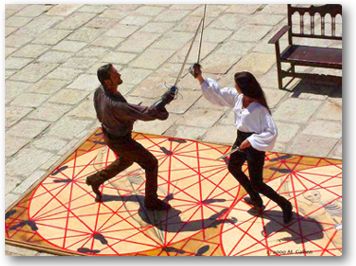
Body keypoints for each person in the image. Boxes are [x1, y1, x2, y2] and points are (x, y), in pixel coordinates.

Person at [190, 64, 293, 224]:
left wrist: (251, 141)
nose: (234, 86)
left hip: (255, 145)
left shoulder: (260, 109)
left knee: (257, 183)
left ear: (243, 87)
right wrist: (200, 78)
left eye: (236, 84)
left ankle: (285, 205)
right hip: (241, 139)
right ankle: (255, 199)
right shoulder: (238, 97)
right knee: (233, 167)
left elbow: (271, 132)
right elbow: (218, 94)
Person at [86, 63, 172, 210]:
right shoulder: (115, 105)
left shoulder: (99, 91)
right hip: (121, 141)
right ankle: (151, 202)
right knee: (151, 163)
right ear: (108, 81)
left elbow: (100, 115)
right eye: (115, 74)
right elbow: (143, 113)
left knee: (125, 161)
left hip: (108, 133)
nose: (119, 75)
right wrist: (163, 103)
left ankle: (95, 180)